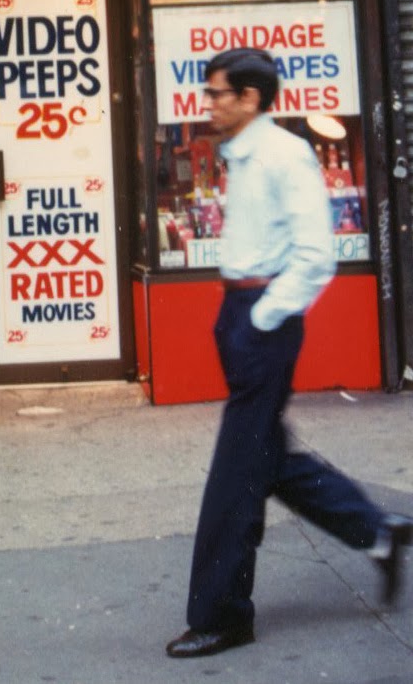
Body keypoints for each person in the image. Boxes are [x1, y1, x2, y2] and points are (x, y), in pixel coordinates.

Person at [166, 47, 412, 660]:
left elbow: (315, 256)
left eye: (219, 93)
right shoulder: (243, 154)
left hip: (263, 321)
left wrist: (262, 318)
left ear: (250, 98)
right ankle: (378, 532)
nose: (210, 103)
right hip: (241, 315)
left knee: (234, 475)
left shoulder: (286, 155)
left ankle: (222, 614)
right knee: (266, 455)